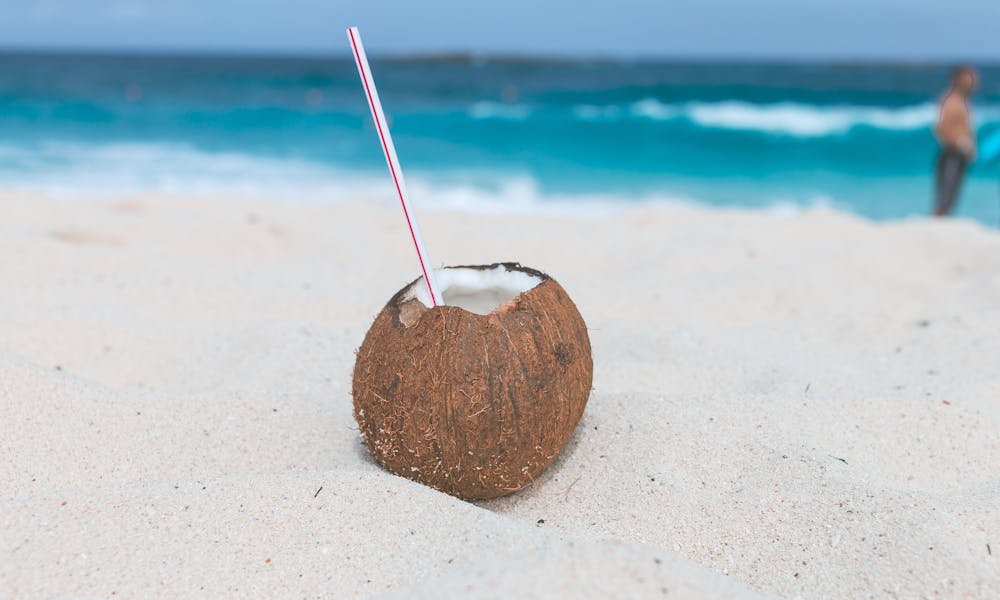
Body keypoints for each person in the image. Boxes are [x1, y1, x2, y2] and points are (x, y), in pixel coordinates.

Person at [933, 65, 979, 216]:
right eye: (970, 77)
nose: (974, 81)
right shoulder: (951, 101)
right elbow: (941, 127)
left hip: (959, 155)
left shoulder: (963, 101)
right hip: (951, 154)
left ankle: (940, 225)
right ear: (960, 80)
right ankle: (935, 224)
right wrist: (961, 143)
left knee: (951, 198)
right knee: (945, 198)